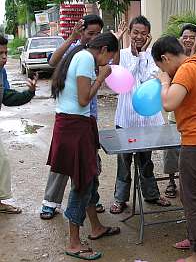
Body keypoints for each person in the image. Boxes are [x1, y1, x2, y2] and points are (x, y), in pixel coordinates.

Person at [47, 32, 121, 260]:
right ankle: (74, 242)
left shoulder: (79, 54)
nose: (108, 63)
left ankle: (96, 227)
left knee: (89, 177)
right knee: (82, 183)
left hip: (74, 126)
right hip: (74, 127)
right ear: (105, 50)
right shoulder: (87, 59)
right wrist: (102, 77)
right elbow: (83, 99)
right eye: (109, 58)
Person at [152, 35, 196, 262]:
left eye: (161, 67)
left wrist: (164, 81)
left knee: (191, 199)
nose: (165, 71)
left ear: (165, 58)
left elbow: (168, 103)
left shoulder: (185, 70)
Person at [41, 14, 110, 219]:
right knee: (63, 164)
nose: (94, 38)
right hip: (74, 118)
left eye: (98, 34)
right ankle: (51, 202)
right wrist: (71, 39)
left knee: (90, 166)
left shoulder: (98, 53)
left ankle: (91, 201)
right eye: (90, 33)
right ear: (82, 32)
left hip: (88, 116)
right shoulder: (77, 53)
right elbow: (53, 61)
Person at [110, 15, 170, 214]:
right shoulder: (122, 54)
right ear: (129, 32)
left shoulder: (153, 56)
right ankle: (120, 199)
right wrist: (136, 56)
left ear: (149, 35)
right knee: (124, 162)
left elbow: (148, 79)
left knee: (146, 161)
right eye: (135, 32)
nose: (139, 36)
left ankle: (151, 194)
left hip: (147, 121)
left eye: (143, 33)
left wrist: (143, 53)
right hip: (126, 119)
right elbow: (123, 77)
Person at [0, 35, 38, 214]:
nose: (4, 57)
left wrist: (28, 93)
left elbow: (7, 97)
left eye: (5, 53)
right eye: (0, 53)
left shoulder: (2, 72)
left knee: (2, 162)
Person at [163, 23, 196, 199]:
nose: (187, 40)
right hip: (175, 114)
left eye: (192, 37)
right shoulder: (173, 58)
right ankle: (171, 181)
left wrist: (193, 51)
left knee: (192, 153)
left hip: (194, 117)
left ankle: (190, 185)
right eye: (185, 36)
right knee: (171, 150)